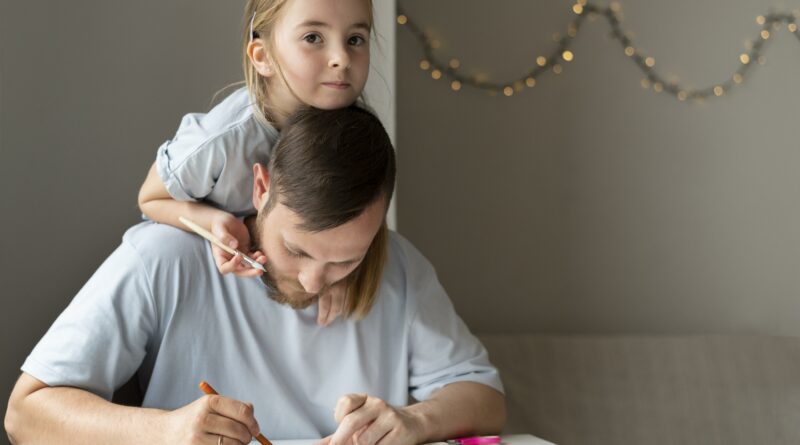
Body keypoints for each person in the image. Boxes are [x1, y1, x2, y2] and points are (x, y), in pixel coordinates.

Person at [5, 106, 506, 445]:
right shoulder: (165, 258)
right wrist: (165, 432)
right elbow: (25, 414)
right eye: (296, 250)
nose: (314, 283)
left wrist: (414, 420)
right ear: (261, 187)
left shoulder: (397, 266)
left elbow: (485, 398)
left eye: (345, 260)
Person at [138, 0, 375, 326]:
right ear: (262, 57)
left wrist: (337, 271)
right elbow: (150, 198)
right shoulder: (219, 142)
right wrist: (215, 223)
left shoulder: (353, 134)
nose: (342, 59)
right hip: (213, 285)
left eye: (355, 40)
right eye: (313, 38)